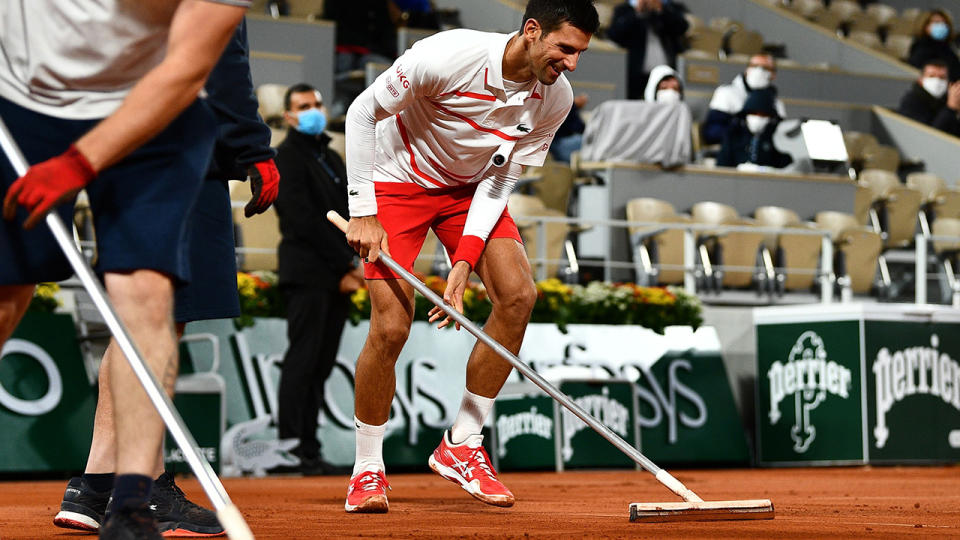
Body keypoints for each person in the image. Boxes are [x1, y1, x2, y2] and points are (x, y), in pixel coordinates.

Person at [0, 1, 249, 538]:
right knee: (5, 292)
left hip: (156, 103)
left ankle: (134, 502)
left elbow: (188, 66)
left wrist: (77, 163)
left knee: (148, 294)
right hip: (22, 95)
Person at [341, 0, 598, 514]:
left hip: (470, 191)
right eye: (565, 48)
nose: (571, 63)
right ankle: (367, 469)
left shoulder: (555, 98)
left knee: (519, 295)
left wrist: (464, 259)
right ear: (531, 31)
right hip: (398, 180)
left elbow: (502, 177)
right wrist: (363, 211)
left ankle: (463, 441)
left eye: (580, 54)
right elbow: (361, 112)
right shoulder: (446, 55)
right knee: (392, 326)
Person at [50, 19, 278, 537]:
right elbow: (220, 58)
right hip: (178, 145)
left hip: (114, 139)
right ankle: (146, 483)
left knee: (136, 320)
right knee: (157, 320)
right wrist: (253, 146)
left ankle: (95, 484)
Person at [273, 83, 362, 475]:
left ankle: (309, 448)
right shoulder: (285, 157)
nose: (313, 110)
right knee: (302, 362)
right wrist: (346, 264)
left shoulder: (331, 155)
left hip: (334, 274)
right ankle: (290, 449)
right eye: (303, 106)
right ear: (289, 116)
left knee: (321, 365)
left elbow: (348, 213)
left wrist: (349, 264)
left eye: (317, 103)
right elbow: (301, 220)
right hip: (307, 273)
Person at [606, 0, 689, 100]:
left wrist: (660, 9)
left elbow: (682, 27)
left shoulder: (669, 8)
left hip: (665, 75)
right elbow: (614, 34)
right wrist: (637, 12)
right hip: (635, 75)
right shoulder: (624, 9)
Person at [702, 53, 787, 146]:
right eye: (754, 66)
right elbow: (712, 133)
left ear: (773, 74)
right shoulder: (726, 93)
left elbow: (781, 137)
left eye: (765, 68)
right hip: (732, 151)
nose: (759, 71)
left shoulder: (777, 104)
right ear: (747, 69)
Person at [716, 88, 792, 170]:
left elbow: (786, 167)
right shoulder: (733, 134)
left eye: (763, 115)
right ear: (746, 115)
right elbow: (722, 165)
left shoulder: (777, 137)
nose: (758, 118)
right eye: (754, 113)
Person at [897, 59, 960, 137]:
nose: (937, 81)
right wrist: (950, 109)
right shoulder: (911, 101)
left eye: (942, 77)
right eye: (931, 76)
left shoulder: (948, 98)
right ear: (921, 80)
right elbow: (929, 136)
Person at [908, 9, 960, 82]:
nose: (941, 26)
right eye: (937, 22)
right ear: (925, 26)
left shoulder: (948, 49)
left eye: (944, 23)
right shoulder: (920, 47)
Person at [549, 93, 589, 163]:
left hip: (553, 142)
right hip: (557, 142)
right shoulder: (570, 108)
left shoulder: (568, 107)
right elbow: (580, 128)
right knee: (582, 141)